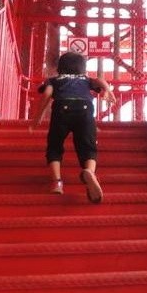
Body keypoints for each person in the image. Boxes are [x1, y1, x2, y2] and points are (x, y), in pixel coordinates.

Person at [32, 52, 116, 203]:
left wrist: (37, 118)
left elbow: (47, 94)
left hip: (61, 109)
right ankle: (89, 172)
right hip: (85, 110)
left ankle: (57, 182)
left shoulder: (54, 80)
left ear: (60, 67)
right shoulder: (85, 79)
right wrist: (108, 91)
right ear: (82, 68)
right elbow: (99, 80)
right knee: (88, 147)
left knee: (55, 146)